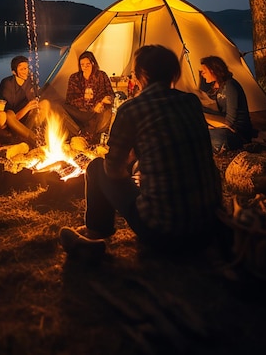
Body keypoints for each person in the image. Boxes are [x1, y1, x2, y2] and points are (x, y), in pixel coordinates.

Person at [59, 45, 222, 259]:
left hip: (164, 232)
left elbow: (113, 170)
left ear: (140, 75)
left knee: (97, 167)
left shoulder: (132, 109)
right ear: (174, 73)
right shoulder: (190, 102)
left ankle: (95, 233)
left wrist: (130, 168)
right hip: (209, 227)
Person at [199, 55, 253, 154]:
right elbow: (216, 110)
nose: (202, 74)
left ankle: (222, 145)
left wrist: (215, 126)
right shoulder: (219, 88)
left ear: (213, 70)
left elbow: (231, 119)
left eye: (204, 71)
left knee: (204, 136)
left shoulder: (230, 85)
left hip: (237, 132)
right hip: (226, 128)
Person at [59, 50, 114, 143]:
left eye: (87, 64)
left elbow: (111, 95)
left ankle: (92, 137)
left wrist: (102, 102)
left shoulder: (101, 76)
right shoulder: (75, 77)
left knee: (106, 113)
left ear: (93, 63)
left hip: (97, 112)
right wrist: (91, 105)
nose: (85, 67)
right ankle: (79, 133)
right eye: (82, 65)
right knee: (59, 107)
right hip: (80, 112)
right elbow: (70, 99)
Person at [0, 55, 50, 147]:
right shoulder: (7, 83)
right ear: (14, 72)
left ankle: (35, 135)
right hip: (12, 122)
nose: (26, 71)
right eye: (22, 69)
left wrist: (34, 106)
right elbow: (1, 112)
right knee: (9, 114)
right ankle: (34, 139)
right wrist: (27, 107)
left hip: (28, 122)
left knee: (45, 103)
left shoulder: (31, 81)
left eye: (26, 68)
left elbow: (35, 103)